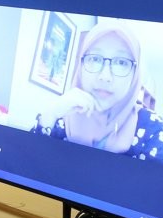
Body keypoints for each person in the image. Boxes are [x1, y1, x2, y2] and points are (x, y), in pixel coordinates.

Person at [32, 21, 163, 161]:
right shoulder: (62, 115)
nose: (105, 77)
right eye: (94, 59)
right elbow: (26, 165)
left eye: (121, 62)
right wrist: (49, 116)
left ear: (135, 74)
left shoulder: (153, 130)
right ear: (80, 66)